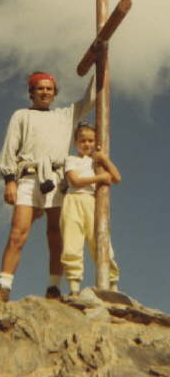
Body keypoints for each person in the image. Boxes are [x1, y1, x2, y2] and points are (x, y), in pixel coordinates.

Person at [0, 71, 96, 309]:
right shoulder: (21, 115)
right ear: (32, 92)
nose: (45, 92)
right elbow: (10, 148)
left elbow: (91, 99)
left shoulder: (65, 115)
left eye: (49, 88)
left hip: (55, 179)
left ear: (55, 93)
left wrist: (99, 62)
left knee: (56, 235)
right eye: (40, 88)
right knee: (18, 233)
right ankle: (3, 286)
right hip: (28, 177)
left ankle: (54, 287)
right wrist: (9, 180)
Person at [60, 122, 120, 296]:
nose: (86, 144)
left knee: (101, 241)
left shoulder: (97, 162)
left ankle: (112, 283)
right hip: (73, 200)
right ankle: (74, 287)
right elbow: (75, 181)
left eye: (90, 141)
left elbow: (116, 177)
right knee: (72, 241)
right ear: (75, 143)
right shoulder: (71, 160)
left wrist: (104, 159)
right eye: (82, 140)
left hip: (92, 203)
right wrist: (100, 177)